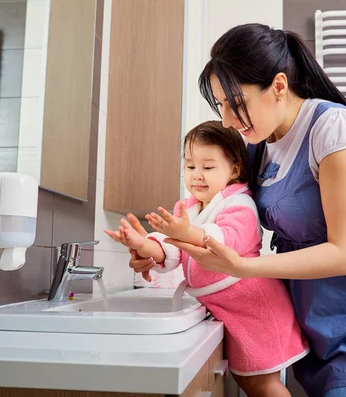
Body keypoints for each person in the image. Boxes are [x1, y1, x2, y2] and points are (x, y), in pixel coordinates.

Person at [127, 24, 346, 397]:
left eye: (236, 104)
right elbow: (215, 215)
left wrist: (243, 267)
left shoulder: (334, 130)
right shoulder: (259, 146)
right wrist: (159, 249)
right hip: (320, 316)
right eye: (221, 105)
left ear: (278, 86)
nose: (227, 120)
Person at [106, 121, 309, 397]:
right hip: (230, 308)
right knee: (247, 381)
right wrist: (145, 245)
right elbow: (173, 249)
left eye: (208, 167)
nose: (197, 176)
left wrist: (185, 231)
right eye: (190, 166)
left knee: (263, 384)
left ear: (234, 169)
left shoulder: (239, 204)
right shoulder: (190, 207)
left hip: (254, 307)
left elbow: (222, 242)